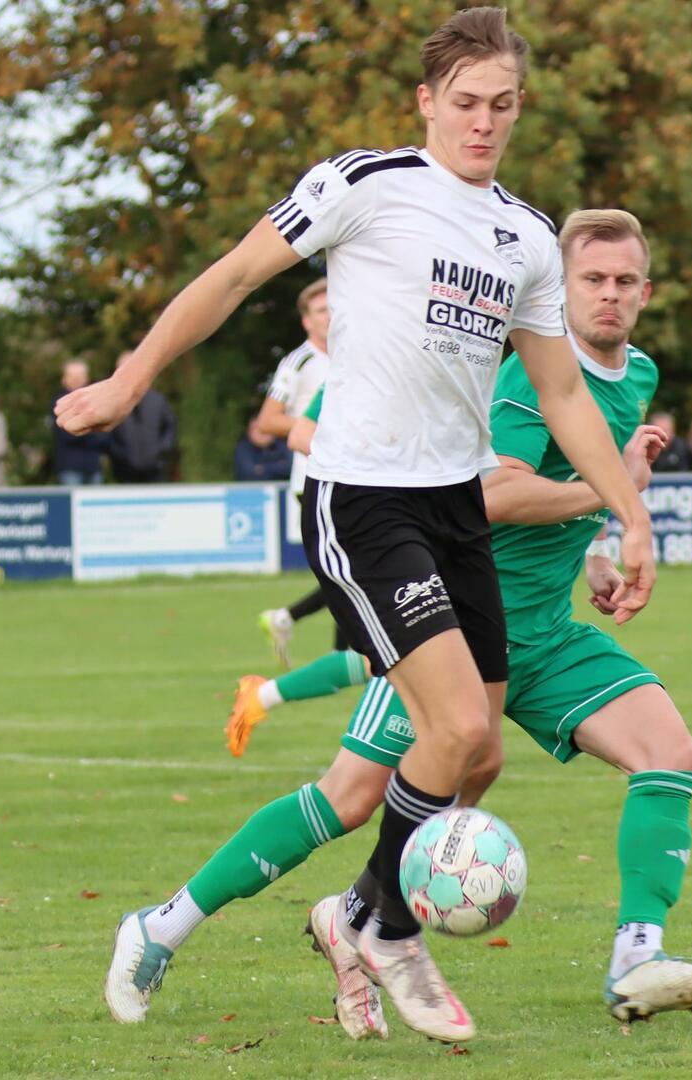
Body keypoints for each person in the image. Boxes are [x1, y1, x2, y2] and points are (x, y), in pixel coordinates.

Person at [76, 8, 656, 1043]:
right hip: (364, 500)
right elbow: (232, 277)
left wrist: (632, 517)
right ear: (428, 101)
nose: (484, 123)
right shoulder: (364, 184)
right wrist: (132, 374)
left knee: (473, 761)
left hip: (453, 509)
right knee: (461, 731)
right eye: (467, 103)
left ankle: (310, 918)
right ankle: (383, 926)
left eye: (504, 106)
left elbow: (564, 395)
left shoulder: (524, 237)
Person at [108, 209, 692, 1038]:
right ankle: (162, 926)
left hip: (546, 634)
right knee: (350, 798)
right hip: (448, 628)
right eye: (592, 279)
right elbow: (495, 492)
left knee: (669, 755)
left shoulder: (638, 374)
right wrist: (612, 496)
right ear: (560, 283)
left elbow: (562, 494)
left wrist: (593, 553)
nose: (610, 295)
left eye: (626, 281)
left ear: (647, 291)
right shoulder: (531, 375)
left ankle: (636, 957)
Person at [253, 279, 339, 667]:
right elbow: (268, 420)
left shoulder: (354, 352)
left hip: (354, 474)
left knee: (351, 571)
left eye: (333, 307)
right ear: (307, 322)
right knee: (352, 569)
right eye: (321, 310)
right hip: (314, 478)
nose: (330, 316)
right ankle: (349, 659)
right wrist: (322, 431)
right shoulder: (300, 362)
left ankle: (344, 656)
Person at [105, 352, 178, 483]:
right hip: (124, 472)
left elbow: (170, 427)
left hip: (155, 471)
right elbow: (107, 434)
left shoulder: (157, 400)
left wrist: (161, 453)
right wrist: (120, 455)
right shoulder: (112, 403)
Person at [50, 361, 113, 485]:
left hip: (93, 466)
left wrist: (85, 429)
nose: (76, 380)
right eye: (73, 377)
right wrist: (92, 429)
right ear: (64, 379)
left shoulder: (95, 402)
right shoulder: (59, 403)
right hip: (70, 467)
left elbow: (104, 433)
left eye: (80, 376)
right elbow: (67, 433)